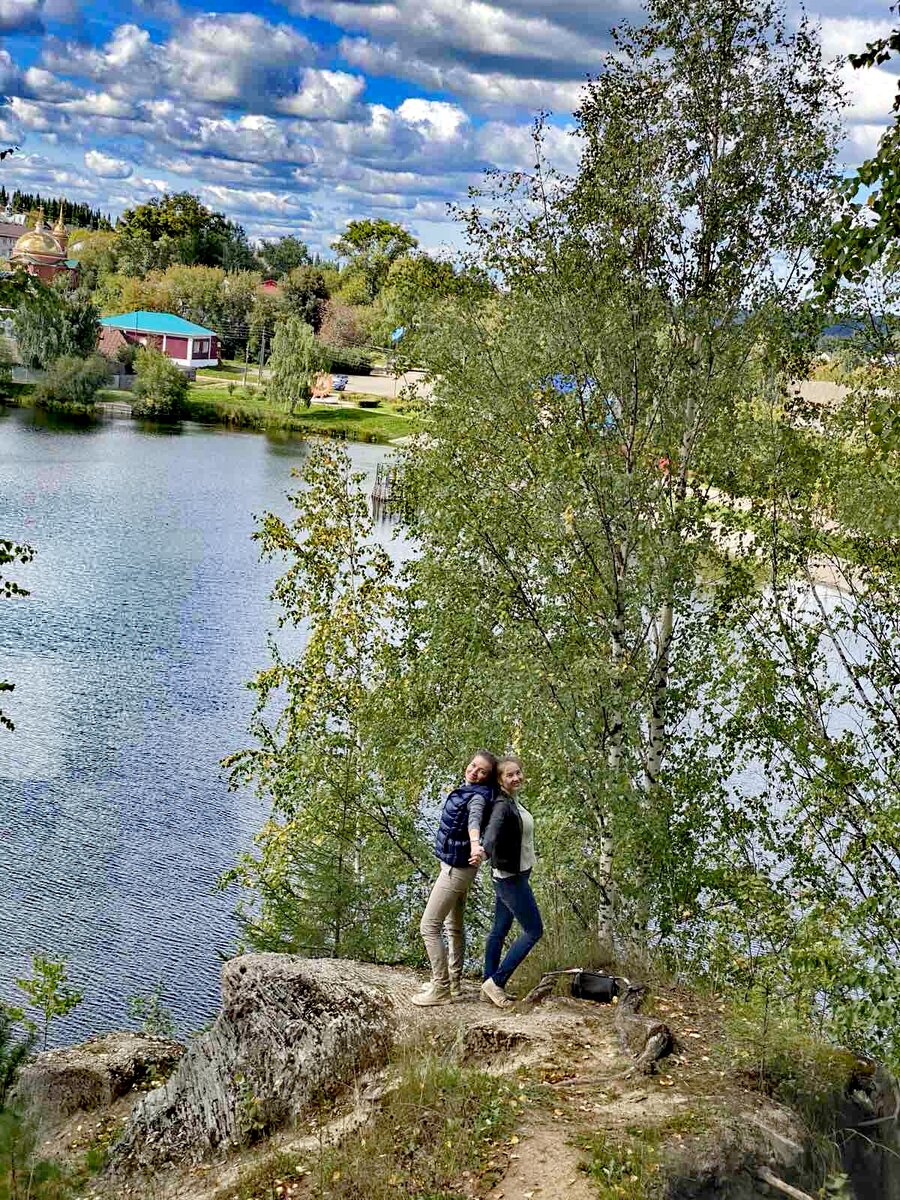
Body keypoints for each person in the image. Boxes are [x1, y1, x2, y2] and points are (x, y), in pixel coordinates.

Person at [411, 750, 497, 1007]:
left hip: (456, 869)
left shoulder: (477, 798)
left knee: (428, 926)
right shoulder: (471, 789)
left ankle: (440, 988)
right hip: (460, 868)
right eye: (473, 766)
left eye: (482, 771)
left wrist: (474, 844)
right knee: (454, 926)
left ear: (487, 778)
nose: (474, 772)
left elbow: (474, 820)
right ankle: (454, 985)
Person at [479, 754, 544, 1009]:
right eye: (510, 775)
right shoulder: (502, 806)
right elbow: (493, 831)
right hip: (510, 879)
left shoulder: (512, 801)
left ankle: (488, 984)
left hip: (513, 874)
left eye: (518, 773)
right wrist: (484, 851)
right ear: (500, 779)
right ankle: (496, 982)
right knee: (533, 930)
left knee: (499, 930)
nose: (516, 777)